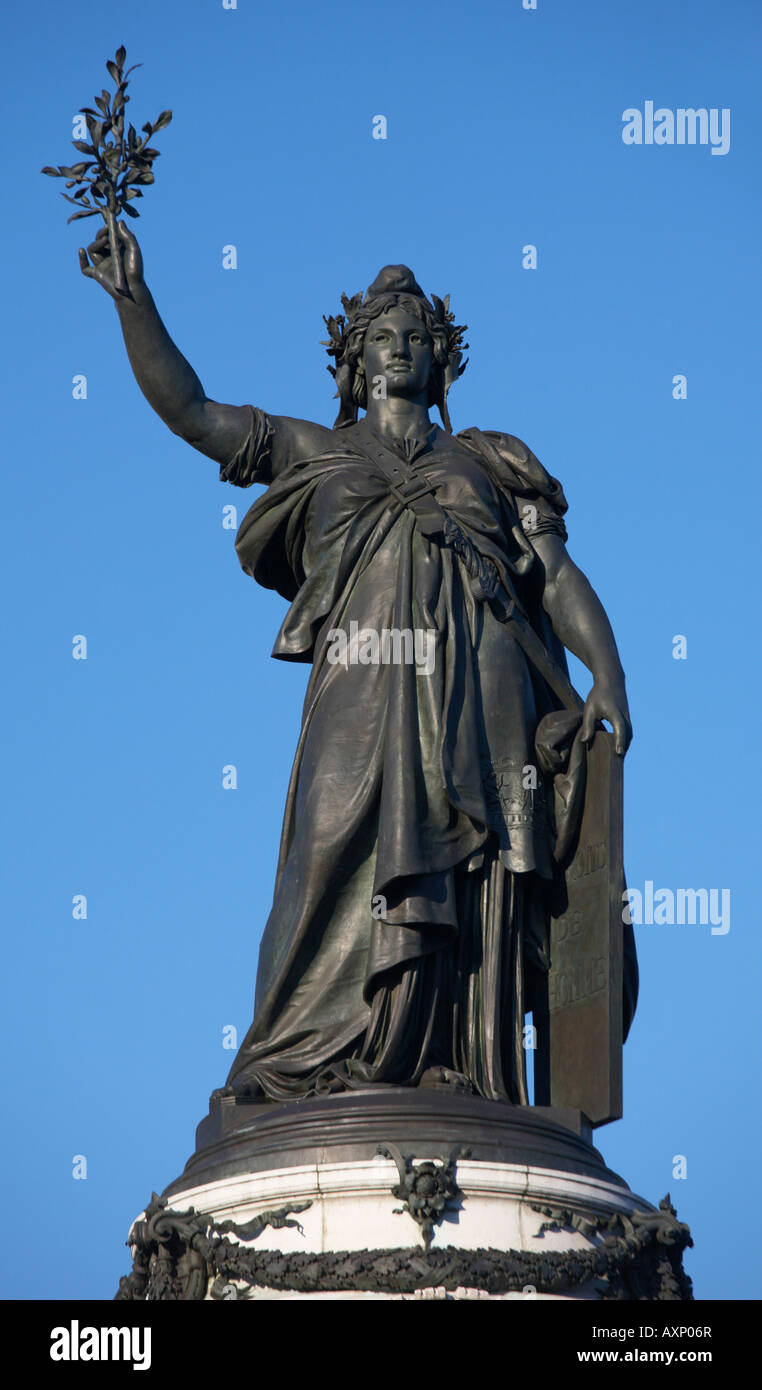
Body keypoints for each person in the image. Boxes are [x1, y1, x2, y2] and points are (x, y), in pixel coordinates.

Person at [80, 225, 634, 1105]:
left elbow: (557, 576)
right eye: (383, 335)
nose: (401, 347)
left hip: (484, 698)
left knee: (474, 868)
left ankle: (462, 1065)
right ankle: (298, 1060)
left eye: (417, 334)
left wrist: (607, 673)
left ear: (442, 357)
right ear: (352, 359)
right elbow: (193, 411)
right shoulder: (317, 451)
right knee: (328, 853)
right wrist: (133, 301)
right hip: (361, 693)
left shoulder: (492, 463)